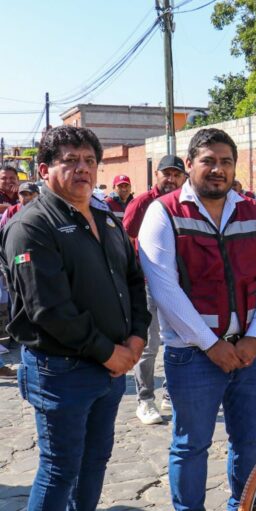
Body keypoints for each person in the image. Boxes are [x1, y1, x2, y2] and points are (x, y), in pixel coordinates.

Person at [0, 125, 149, 511]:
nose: (82, 168)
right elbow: (48, 309)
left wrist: (136, 337)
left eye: (89, 161)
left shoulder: (108, 219)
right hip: (61, 372)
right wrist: (108, 352)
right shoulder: (30, 226)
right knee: (60, 469)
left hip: (111, 368)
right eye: (70, 161)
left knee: (95, 461)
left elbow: (133, 280)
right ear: (45, 169)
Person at [139, 128, 256, 510]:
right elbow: (164, 288)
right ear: (189, 165)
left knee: (249, 441)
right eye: (208, 161)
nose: (218, 169)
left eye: (226, 162)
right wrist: (211, 344)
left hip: (252, 353)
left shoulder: (254, 207)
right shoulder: (164, 211)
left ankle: (244, 505)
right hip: (192, 355)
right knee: (190, 445)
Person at [123, 154, 186, 425]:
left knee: (180, 340)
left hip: (179, 285)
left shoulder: (187, 203)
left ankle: (171, 394)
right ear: (156, 175)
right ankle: (145, 400)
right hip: (148, 284)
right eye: (166, 173)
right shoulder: (142, 203)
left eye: (176, 174)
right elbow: (126, 237)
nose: (171, 178)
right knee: (149, 345)